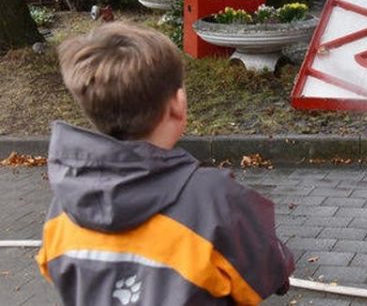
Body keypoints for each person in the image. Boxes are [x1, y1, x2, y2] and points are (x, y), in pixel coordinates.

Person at [36, 22, 294, 305]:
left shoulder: (64, 205)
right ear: (178, 104)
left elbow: (54, 268)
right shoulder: (214, 201)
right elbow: (269, 270)